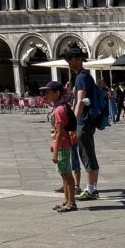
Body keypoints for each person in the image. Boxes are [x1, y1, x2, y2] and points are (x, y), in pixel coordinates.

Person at [64, 44, 100, 199]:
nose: (69, 62)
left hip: (83, 121)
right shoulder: (83, 76)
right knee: (86, 152)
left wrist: (72, 123)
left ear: (79, 59)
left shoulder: (81, 77)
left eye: (71, 58)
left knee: (86, 153)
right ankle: (92, 188)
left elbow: (80, 101)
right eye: (68, 59)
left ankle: (91, 189)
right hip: (86, 120)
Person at [43, 80, 77, 213]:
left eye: (48, 92)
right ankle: (66, 200)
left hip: (62, 145)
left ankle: (72, 202)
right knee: (64, 175)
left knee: (67, 175)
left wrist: (55, 152)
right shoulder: (60, 107)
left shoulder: (59, 110)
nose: (46, 95)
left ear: (57, 93)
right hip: (62, 144)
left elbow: (59, 133)